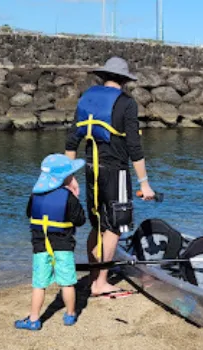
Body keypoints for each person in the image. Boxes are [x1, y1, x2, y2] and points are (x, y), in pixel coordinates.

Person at [65, 57, 156, 298]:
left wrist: (68, 177)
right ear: (125, 80)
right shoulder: (127, 103)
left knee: (97, 224)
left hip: (90, 169)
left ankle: (95, 276)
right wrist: (144, 184)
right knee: (115, 226)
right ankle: (101, 283)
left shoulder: (87, 99)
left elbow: (71, 140)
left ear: (104, 77)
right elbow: (134, 147)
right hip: (116, 171)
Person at [15, 154, 87, 330]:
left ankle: (33, 319)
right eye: (71, 174)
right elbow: (80, 220)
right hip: (63, 246)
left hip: (40, 247)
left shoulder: (35, 195)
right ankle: (70, 315)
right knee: (67, 283)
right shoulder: (68, 197)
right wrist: (76, 198)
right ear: (65, 178)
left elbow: (28, 214)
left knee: (39, 284)